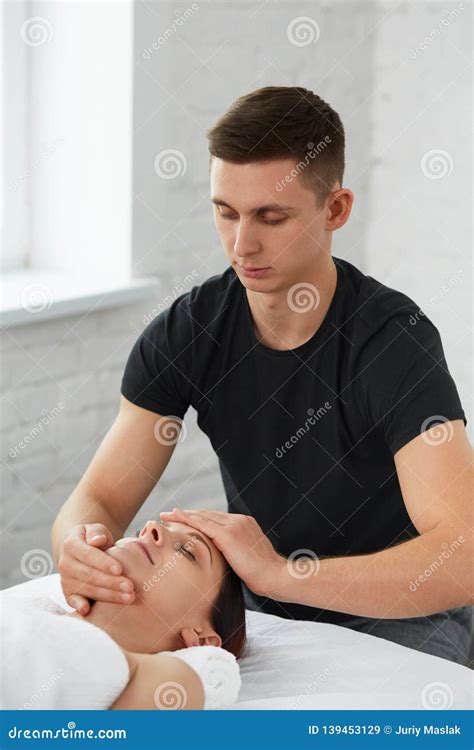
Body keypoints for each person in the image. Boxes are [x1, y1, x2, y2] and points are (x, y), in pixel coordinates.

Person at [52, 85, 472, 666]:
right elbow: (97, 499)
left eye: (271, 217)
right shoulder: (189, 331)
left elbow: (462, 557)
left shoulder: (392, 343)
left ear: (336, 210)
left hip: (403, 612)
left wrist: (281, 574)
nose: (242, 244)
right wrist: (78, 547)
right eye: (225, 212)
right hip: (266, 602)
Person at [3, 520, 246, 710]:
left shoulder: (171, 681)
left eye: (186, 551)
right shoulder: (29, 607)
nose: (151, 527)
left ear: (201, 639)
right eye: (141, 529)